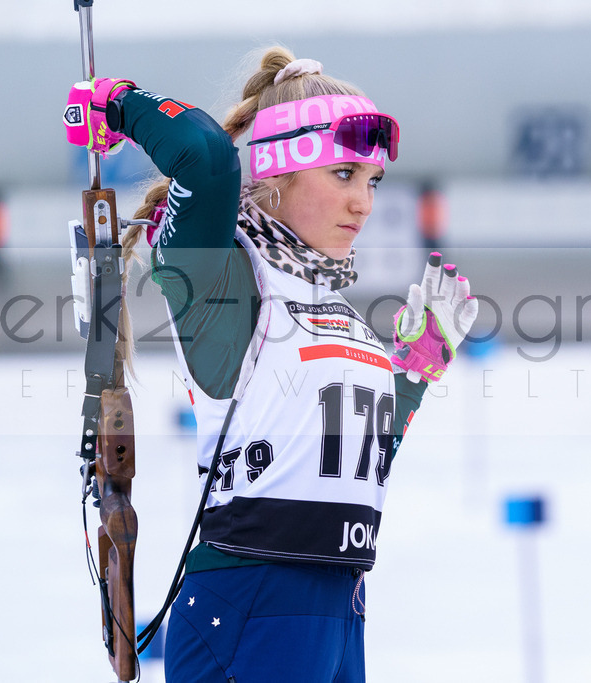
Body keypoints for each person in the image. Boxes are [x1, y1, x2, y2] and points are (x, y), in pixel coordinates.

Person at [64, 46, 478, 682]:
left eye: (371, 180)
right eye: (343, 175)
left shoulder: (334, 308)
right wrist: (119, 103)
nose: (364, 202)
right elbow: (203, 156)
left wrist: (411, 377)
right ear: (278, 174)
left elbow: (346, 464)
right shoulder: (227, 280)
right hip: (250, 597)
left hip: (339, 604)